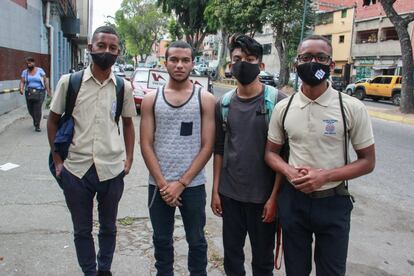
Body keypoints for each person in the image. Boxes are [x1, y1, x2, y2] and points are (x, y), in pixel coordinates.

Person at [265, 35, 376, 276]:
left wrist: (324, 176)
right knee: (295, 270)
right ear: (296, 63)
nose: (312, 62)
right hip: (293, 202)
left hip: (333, 202)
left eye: (320, 57)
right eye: (305, 57)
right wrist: (289, 171)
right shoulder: (284, 108)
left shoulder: (351, 107)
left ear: (331, 65)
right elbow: (271, 153)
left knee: (332, 271)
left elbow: (368, 161)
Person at [47, 26, 136, 276]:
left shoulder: (122, 87)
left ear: (118, 52)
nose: (106, 51)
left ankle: (104, 269)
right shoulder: (70, 82)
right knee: (82, 229)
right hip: (75, 169)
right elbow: (53, 121)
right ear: (90, 48)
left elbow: (128, 124)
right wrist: (57, 161)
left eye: (112, 47)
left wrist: (128, 159)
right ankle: (89, 271)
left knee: (109, 227)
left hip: (111, 169)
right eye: (101, 46)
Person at [211, 34, 286, 276]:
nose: (243, 63)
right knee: (232, 258)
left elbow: (283, 156)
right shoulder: (223, 104)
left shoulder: (277, 102)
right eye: (237, 58)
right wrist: (215, 191)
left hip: (263, 199)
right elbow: (220, 149)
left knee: (262, 262)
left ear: (261, 65)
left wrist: (274, 198)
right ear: (230, 65)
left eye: (250, 59)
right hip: (230, 195)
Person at [140, 40, 216, 276]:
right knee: (162, 241)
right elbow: (146, 144)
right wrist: (164, 185)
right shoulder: (152, 99)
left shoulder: (204, 99)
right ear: (166, 62)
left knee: (197, 241)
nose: (179, 65)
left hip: (192, 186)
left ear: (193, 63)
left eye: (185, 60)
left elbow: (207, 146)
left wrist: (181, 184)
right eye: (174, 59)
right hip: (159, 186)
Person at [19, 56, 51, 132]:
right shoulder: (25, 72)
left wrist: (48, 91)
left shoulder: (40, 70)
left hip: (40, 92)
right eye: (27, 63)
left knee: (37, 108)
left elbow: (45, 81)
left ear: (34, 63)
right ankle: (35, 119)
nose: (28, 64)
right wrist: (21, 89)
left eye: (30, 62)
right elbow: (22, 81)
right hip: (29, 92)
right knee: (30, 109)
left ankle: (37, 124)